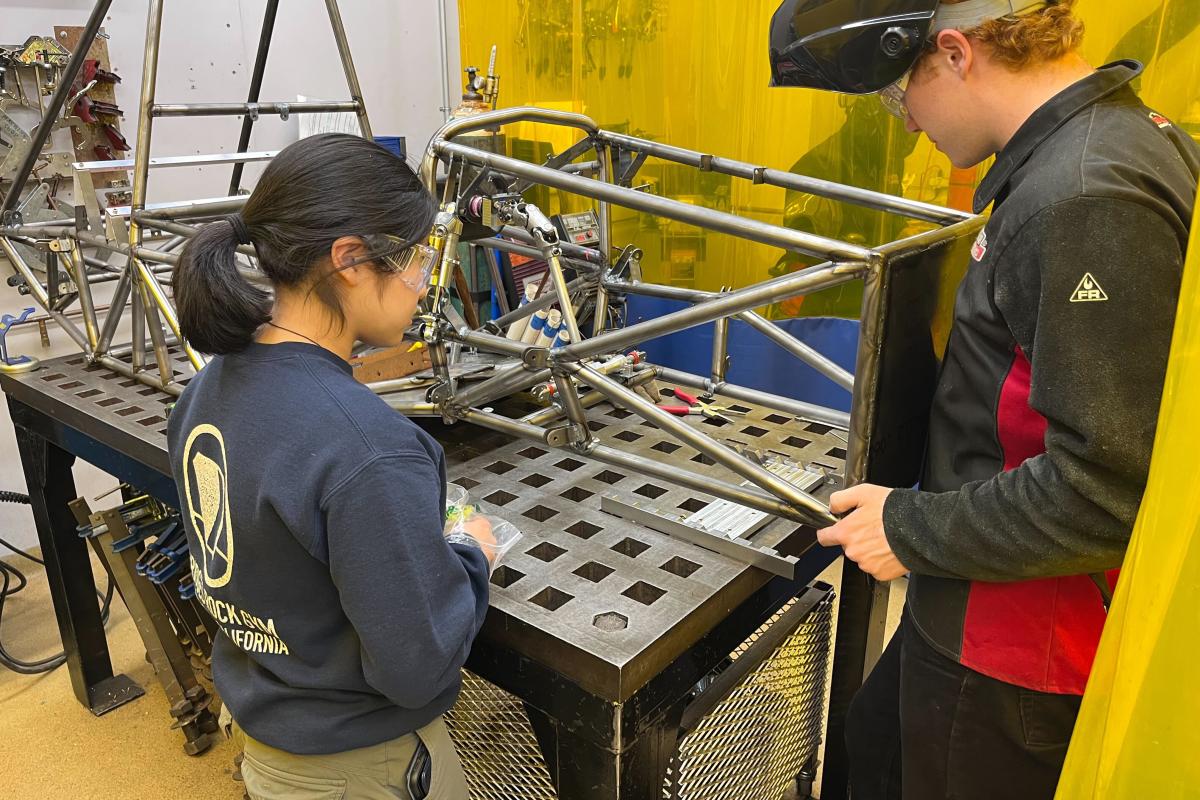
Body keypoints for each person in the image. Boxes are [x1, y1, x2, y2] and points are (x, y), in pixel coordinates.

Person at [771, 0, 1200, 797]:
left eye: (901, 97)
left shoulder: (1084, 197)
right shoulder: (1122, 139)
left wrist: (909, 527)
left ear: (958, 53)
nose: (906, 126)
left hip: (1015, 653)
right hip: (969, 596)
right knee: (866, 758)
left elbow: (1104, 488)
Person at [167, 132, 495, 799]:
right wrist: (469, 555)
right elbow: (416, 667)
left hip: (269, 741)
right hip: (361, 766)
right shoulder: (367, 448)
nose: (421, 282)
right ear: (349, 259)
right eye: (413, 258)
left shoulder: (204, 392)